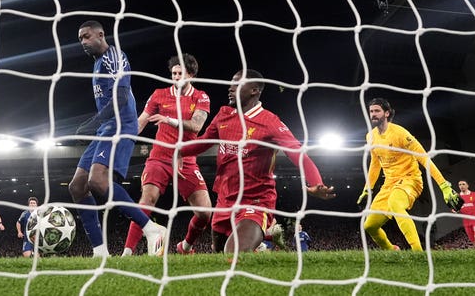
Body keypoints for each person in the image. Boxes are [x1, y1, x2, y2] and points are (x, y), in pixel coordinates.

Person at [180, 69, 336, 253]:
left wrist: (317, 182)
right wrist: (175, 150)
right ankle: (265, 243)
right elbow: (203, 142)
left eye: (237, 84)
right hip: (225, 200)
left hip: (256, 202)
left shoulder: (269, 122)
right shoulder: (224, 114)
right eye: (231, 83)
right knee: (219, 256)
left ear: (254, 90)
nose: (230, 87)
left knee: (234, 252)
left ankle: (264, 236)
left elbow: (298, 154)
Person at [69, 20, 167, 257]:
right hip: (106, 127)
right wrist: (95, 125)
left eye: (86, 36)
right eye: (80, 38)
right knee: (77, 187)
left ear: (100, 34)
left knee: (98, 181)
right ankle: (100, 251)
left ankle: (151, 228)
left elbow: (121, 97)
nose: (83, 42)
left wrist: (92, 123)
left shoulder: (114, 56)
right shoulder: (97, 63)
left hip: (121, 126)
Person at [122, 53, 212, 256]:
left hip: (186, 159)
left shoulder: (201, 97)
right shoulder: (159, 94)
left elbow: (196, 126)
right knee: (147, 199)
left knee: (205, 212)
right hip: (159, 157)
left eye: (180, 73)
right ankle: (126, 253)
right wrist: (122, 135)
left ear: (191, 75)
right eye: (173, 73)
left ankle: (185, 247)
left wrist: (169, 120)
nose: (176, 77)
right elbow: (141, 122)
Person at [357, 98, 461, 251]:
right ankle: (392, 251)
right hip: (389, 184)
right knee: (370, 225)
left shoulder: (401, 134)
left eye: (377, 111)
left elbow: (424, 158)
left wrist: (444, 185)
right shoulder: (370, 137)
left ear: (386, 113)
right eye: (371, 111)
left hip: (410, 179)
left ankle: (418, 253)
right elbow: (375, 163)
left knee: (395, 203)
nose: (373, 114)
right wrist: (367, 189)